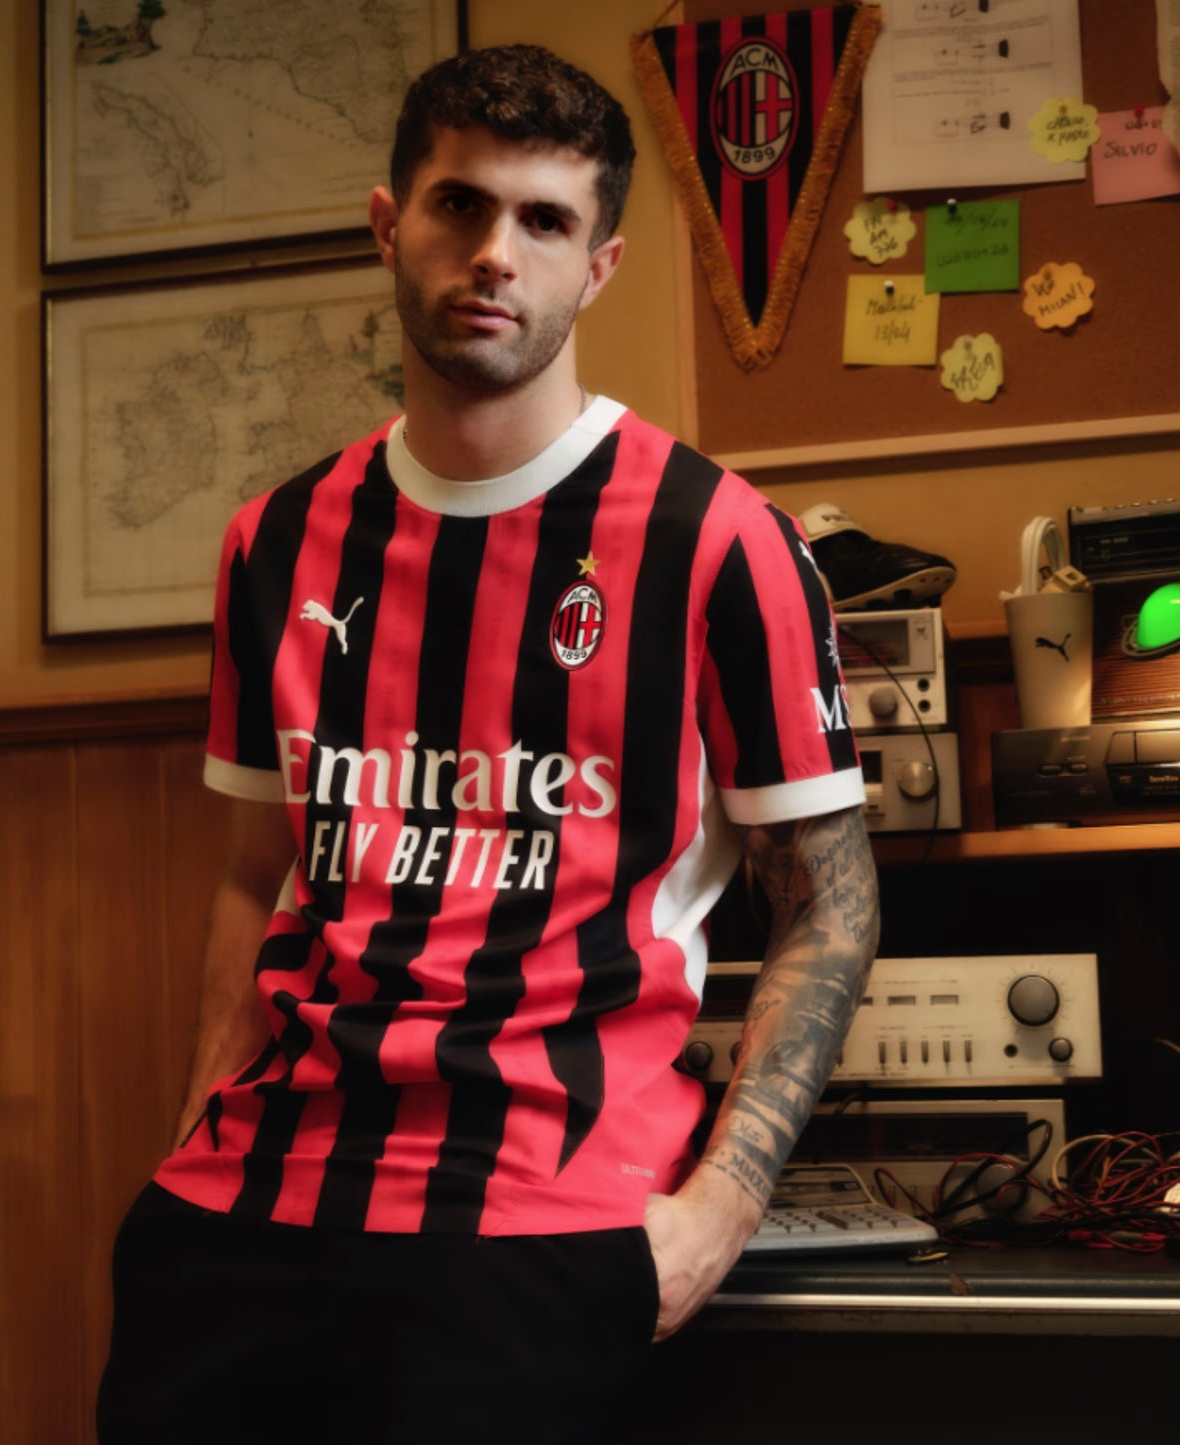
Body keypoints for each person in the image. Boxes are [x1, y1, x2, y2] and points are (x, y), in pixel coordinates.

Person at [97, 43, 878, 1445]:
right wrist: (193, 1127)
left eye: (544, 220)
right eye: (459, 204)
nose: (495, 254)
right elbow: (253, 872)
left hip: (539, 1221)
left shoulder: (722, 542)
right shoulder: (274, 542)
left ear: (599, 265)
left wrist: (720, 1206)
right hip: (241, 1210)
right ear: (388, 223)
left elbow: (827, 901)